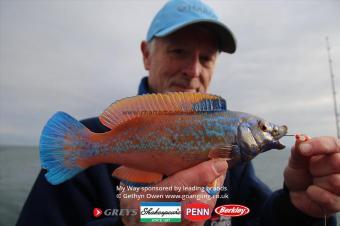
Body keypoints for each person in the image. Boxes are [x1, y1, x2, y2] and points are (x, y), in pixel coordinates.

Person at [17, 0, 339, 225]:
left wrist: (296, 210)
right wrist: (128, 225)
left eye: (207, 57)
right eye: (179, 50)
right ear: (146, 54)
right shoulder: (83, 153)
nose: (193, 69)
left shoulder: (236, 170)